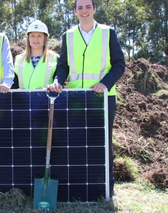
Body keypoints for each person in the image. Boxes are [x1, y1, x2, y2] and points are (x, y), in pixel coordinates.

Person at [47, 0, 126, 198]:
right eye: (80, 7)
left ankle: (107, 189)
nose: (84, 11)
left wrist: (105, 83)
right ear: (75, 11)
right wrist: (58, 81)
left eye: (88, 7)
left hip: (103, 98)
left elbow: (119, 64)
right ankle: (78, 187)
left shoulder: (109, 33)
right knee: (76, 143)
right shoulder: (68, 36)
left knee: (102, 143)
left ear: (94, 9)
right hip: (75, 99)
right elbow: (63, 65)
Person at [13, 20, 58, 89]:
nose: (35, 39)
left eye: (39, 36)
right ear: (28, 39)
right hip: (22, 99)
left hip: (46, 99)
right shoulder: (18, 59)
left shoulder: (54, 58)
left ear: (45, 38)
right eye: (32, 36)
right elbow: (14, 85)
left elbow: (58, 83)